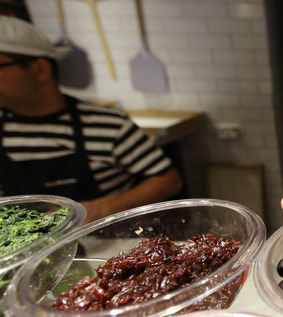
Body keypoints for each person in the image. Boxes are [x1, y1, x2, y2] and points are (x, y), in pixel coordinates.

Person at [0, 16, 182, 223]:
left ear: (40, 69)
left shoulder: (108, 126)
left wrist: (102, 208)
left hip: (107, 246)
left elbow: (168, 181)